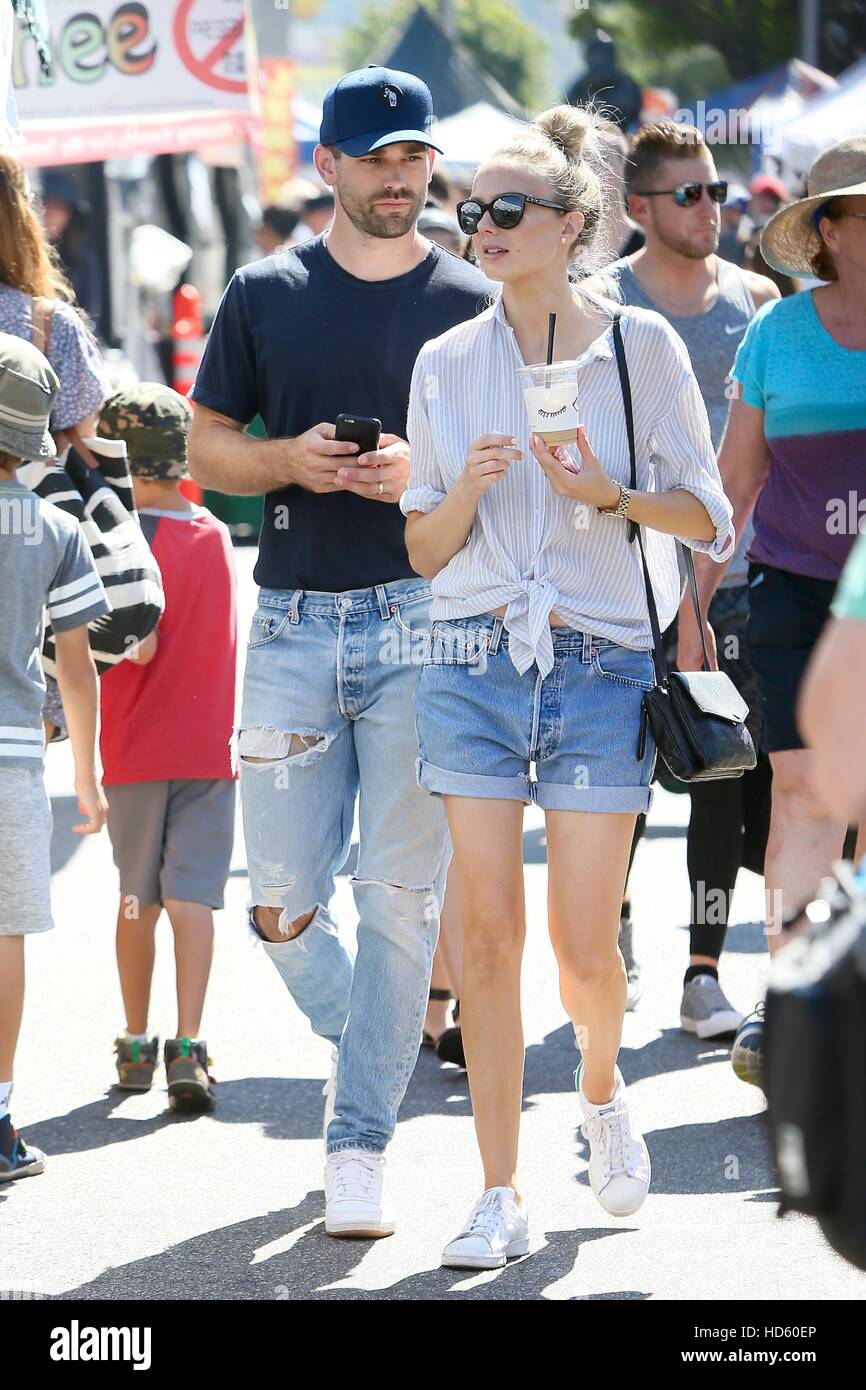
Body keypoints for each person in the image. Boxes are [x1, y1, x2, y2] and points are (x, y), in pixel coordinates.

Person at [403, 103, 734, 1268]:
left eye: (505, 209)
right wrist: (463, 492)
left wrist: (607, 494)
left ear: (572, 222)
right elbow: (421, 551)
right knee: (485, 935)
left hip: (599, 662)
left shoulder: (640, 349)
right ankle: (500, 1189)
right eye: (468, 210)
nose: (480, 226)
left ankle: (599, 1089)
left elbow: (708, 518)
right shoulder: (444, 361)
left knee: (580, 947)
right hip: (468, 658)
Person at [187, 66, 489, 1238]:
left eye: (414, 158)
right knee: (278, 900)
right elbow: (211, 445)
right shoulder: (265, 290)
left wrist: (421, 468)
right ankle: (367, 1036)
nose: (402, 177)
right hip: (294, 621)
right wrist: (288, 463)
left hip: (425, 617)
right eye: (377, 159)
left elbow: (493, 461)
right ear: (326, 166)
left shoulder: (471, 296)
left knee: (401, 897)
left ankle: (357, 1138)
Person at [676, 136, 866, 1085]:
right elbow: (736, 483)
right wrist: (691, 605)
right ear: (830, 232)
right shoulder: (779, 337)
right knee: (801, 790)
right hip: (794, 593)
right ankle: (790, 997)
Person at [589, 118, 780, 1040]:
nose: (714, 208)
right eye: (691, 194)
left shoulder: (756, 295)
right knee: (622, 771)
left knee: (721, 769)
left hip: (739, 576)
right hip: (625, 577)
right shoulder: (598, 302)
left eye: (719, 191)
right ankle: (614, 933)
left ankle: (703, 970)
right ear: (639, 208)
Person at [96, 385, 237, 1111]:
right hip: (210, 746)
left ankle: (133, 1036)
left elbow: (138, 648)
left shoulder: (118, 539)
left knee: (135, 899)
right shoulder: (213, 534)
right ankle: (189, 1042)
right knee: (193, 900)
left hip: (134, 748)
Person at [0, 332, 109, 1180]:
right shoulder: (55, 526)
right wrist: (88, 775)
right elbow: (76, 667)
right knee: (6, 936)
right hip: (11, 762)